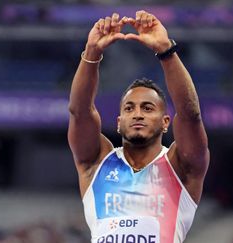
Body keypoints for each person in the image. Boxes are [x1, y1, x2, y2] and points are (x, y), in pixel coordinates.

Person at [68, 10, 209, 243]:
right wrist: (92, 53)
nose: (137, 114)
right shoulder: (95, 163)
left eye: (147, 108)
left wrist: (166, 51)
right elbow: (79, 112)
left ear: (166, 122)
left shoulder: (181, 166)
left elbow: (190, 114)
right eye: (129, 108)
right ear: (119, 121)